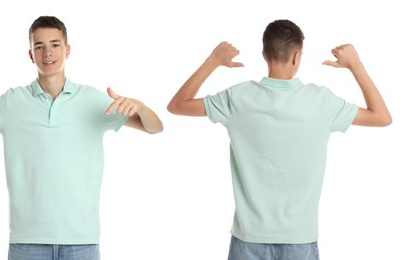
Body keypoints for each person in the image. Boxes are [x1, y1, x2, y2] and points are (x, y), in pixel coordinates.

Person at [167, 19, 391, 260]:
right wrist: (355, 65)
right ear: (297, 56)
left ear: (264, 55)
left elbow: (177, 105)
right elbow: (381, 117)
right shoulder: (321, 102)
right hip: (300, 239)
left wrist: (213, 61)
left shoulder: (237, 98)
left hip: (248, 239)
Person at [0, 16, 163, 260]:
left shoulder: (93, 100)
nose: (47, 52)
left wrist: (141, 107)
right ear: (31, 55)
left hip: (81, 242)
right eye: (39, 46)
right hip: (27, 243)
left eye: (55, 44)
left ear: (67, 50)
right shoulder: (12, 103)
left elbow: (154, 127)